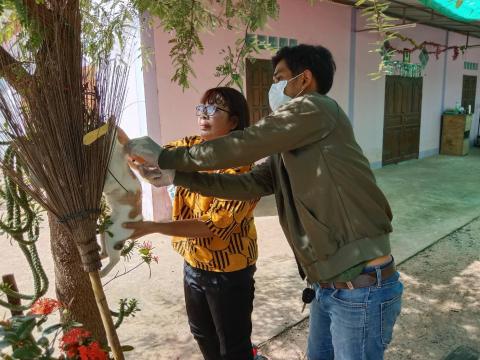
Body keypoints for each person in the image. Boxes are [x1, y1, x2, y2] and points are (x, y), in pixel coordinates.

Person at [128, 44, 404, 360]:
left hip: (362, 288)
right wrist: (176, 176)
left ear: (304, 79)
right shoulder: (293, 143)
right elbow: (250, 183)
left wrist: (166, 157)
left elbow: (246, 144)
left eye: (279, 78)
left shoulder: (316, 107)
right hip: (330, 287)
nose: (273, 88)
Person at [125, 87, 262, 360]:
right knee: (202, 334)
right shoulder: (188, 148)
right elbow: (153, 164)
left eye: (213, 109)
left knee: (232, 347)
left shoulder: (242, 167)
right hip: (194, 264)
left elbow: (212, 226)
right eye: (201, 109)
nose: (203, 115)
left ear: (234, 121)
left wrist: (153, 227)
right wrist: (127, 148)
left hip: (228, 272)